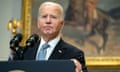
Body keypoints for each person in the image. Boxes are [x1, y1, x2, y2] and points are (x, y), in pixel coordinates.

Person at [9, 1, 87, 72]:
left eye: (53, 17)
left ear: (62, 24)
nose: (48, 21)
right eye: (44, 16)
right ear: (38, 23)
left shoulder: (74, 54)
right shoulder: (23, 53)